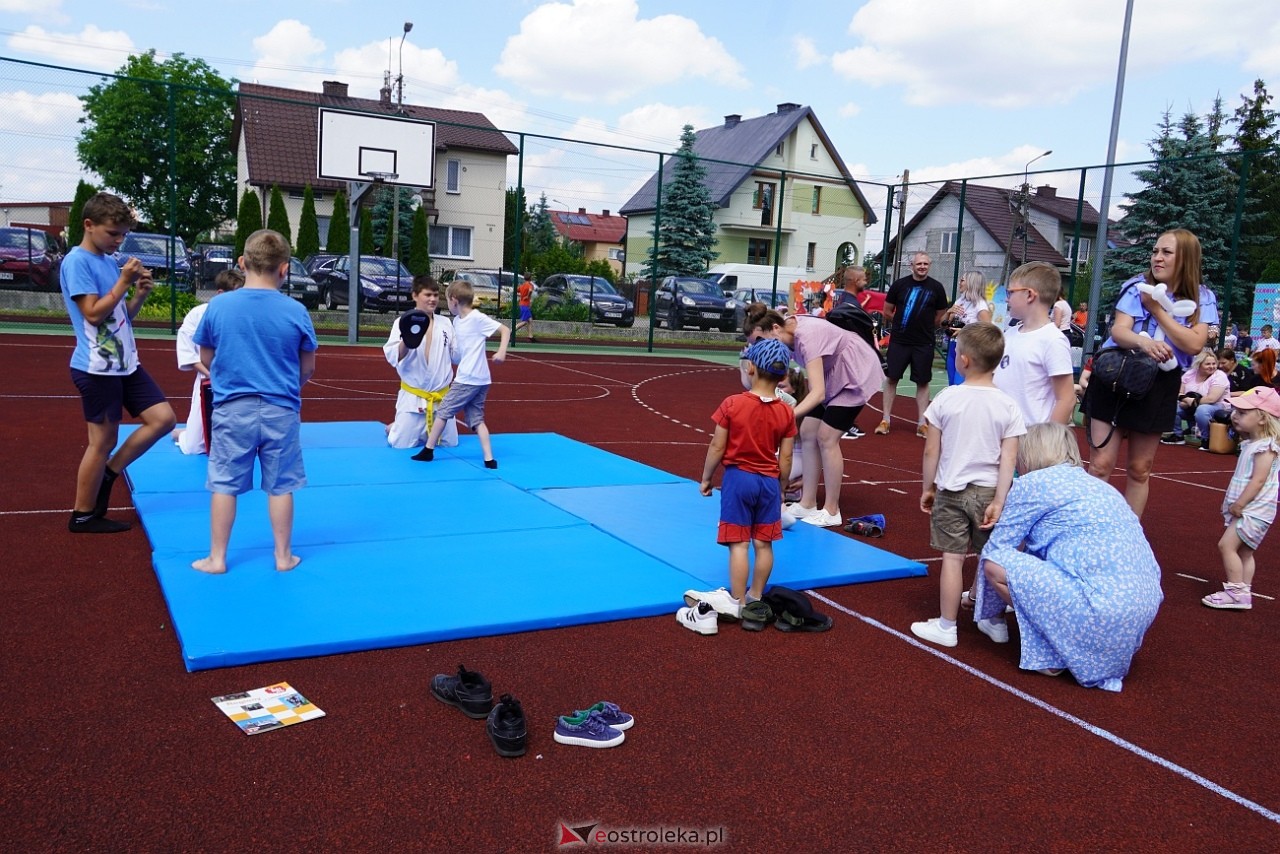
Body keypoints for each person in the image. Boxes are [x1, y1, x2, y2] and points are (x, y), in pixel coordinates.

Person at [976, 423, 1163, 692]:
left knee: (996, 564)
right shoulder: (1101, 487)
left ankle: (1052, 654)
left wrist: (978, 601)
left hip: (1099, 607)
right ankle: (1089, 649)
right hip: (1144, 603)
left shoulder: (1033, 484)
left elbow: (998, 547)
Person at [190, 229, 318, 574]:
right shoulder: (296, 311)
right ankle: (283, 556)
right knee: (281, 485)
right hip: (281, 409)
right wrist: (286, 386)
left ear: (242, 263)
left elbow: (206, 357)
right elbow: (307, 367)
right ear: (285, 269)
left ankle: (217, 558)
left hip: (233, 408)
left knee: (224, 483)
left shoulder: (219, 306)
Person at [59, 192, 176, 534]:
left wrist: (138, 295)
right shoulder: (77, 262)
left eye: (123, 234)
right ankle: (83, 515)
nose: (118, 240)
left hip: (125, 364)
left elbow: (118, 317)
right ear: (89, 225)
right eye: (113, 233)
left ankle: (110, 473)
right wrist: (124, 281)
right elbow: (93, 315)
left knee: (163, 419)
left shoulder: (109, 261)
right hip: (96, 367)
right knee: (102, 442)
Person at [1082, 229, 1215, 517]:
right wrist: (1145, 343)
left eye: (1166, 252)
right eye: (1155, 251)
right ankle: (1089, 529)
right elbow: (1119, 330)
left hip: (1160, 383)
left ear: (1186, 258)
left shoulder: (1203, 297)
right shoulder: (1136, 286)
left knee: (1140, 469)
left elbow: (1194, 344)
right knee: (1100, 465)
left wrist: (1156, 309)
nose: (1157, 258)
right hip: (1117, 373)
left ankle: (1130, 535)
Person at [911, 322, 1024, 648]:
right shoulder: (1008, 404)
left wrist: (928, 487)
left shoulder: (946, 398)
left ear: (963, 360)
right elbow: (1009, 458)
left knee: (953, 558)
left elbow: (931, 450)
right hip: (989, 491)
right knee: (991, 557)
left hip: (951, 490)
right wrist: (1000, 500)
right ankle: (994, 619)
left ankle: (947, 626)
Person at [683, 339, 798, 626]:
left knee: (738, 543)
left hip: (738, 480)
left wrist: (706, 478)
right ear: (784, 374)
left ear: (751, 368)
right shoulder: (786, 412)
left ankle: (737, 601)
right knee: (764, 543)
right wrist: (781, 487)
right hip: (768, 482)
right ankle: (755, 596)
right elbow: (785, 457)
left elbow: (717, 447)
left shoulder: (732, 404)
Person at [745, 303, 885, 528]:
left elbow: (818, 393)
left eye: (761, 340)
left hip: (856, 370)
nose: (760, 347)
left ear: (775, 328)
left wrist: (786, 414)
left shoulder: (807, 337)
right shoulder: (785, 335)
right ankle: (808, 502)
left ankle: (832, 510)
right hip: (834, 373)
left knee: (826, 437)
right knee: (808, 430)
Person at [412, 279, 510, 466]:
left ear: (454, 300)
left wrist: (502, 352)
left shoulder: (477, 318)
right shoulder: (457, 321)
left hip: (468, 379)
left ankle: (428, 450)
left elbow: (505, 330)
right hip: (481, 379)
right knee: (477, 419)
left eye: (447, 300)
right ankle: (489, 459)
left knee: (443, 411)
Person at [1204, 387, 1280, 610]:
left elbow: (1258, 480)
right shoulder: (1252, 444)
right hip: (1253, 509)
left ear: (1263, 419)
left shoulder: (1265, 447)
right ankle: (1243, 592)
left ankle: (1236, 592)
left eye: (1243, 413)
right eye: (1236, 411)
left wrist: (1240, 503)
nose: (1235, 416)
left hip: (1253, 509)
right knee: (1245, 552)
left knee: (1226, 546)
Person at [874, 252, 949, 437]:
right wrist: (901, 324)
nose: (922, 267)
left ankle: (922, 423)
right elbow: (887, 311)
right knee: (892, 378)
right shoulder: (899, 285)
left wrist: (925, 326)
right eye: (919, 264)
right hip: (899, 342)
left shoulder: (937, 288)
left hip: (924, 343)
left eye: (925, 264)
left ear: (929, 265)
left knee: (923, 382)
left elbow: (941, 315)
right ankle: (885, 420)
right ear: (912, 266)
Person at [993, 261, 1075, 426]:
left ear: (1030, 295)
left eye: (1010, 292)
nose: (1007, 299)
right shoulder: (1009, 334)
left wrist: (1048, 438)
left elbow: (1066, 399)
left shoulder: (1053, 340)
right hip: (1002, 432)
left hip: (1031, 436)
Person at [383, 275, 458, 450]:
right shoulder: (402, 322)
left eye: (435, 295)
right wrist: (407, 341)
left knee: (451, 444)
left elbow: (456, 356)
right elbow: (393, 356)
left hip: (441, 400)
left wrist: (469, 334)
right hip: (414, 399)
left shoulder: (446, 323)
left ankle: (414, 429)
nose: (432, 299)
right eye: (427, 295)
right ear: (415, 296)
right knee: (400, 445)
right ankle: (395, 427)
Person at [173, 268, 243, 455]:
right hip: (208, 380)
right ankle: (184, 434)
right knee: (195, 447)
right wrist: (211, 375)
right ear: (220, 293)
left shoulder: (244, 315)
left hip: (240, 381)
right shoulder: (198, 314)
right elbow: (189, 354)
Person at [1161, 349, 1228, 446]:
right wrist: (1185, 401)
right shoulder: (1190, 373)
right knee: (1172, 406)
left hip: (1216, 406)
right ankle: (1178, 435)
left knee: (1202, 409)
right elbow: (1178, 392)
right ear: (1199, 365)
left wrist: (1191, 401)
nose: (1212, 366)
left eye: (1214, 364)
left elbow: (1211, 399)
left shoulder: (1220, 376)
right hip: (1190, 405)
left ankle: (1206, 439)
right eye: (1208, 364)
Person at [941, 271, 991, 386]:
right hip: (954, 347)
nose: (960, 283)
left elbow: (988, 332)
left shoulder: (980, 305)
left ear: (971, 282)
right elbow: (943, 324)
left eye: (962, 280)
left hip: (968, 350)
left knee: (960, 384)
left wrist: (964, 331)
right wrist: (949, 312)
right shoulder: (961, 301)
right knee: (952, 384)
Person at [514, 273, 535, 343]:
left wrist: (521, 296)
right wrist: (527, 296)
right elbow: (530, 290)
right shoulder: (530, 285)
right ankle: (511, 331)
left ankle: (530, 337)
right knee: (525, 322)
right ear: (530, 278)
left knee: (530, 320)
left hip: (522, 304)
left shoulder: (522, 285)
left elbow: (516, 290)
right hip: (525, 305)